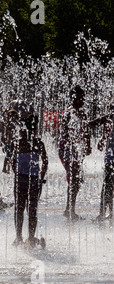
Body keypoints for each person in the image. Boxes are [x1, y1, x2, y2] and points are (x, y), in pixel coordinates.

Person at [11, 114, 48, 248]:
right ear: (36, 128)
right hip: (34, 180)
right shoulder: (39, 143)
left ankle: (18, 237)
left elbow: (13, 162)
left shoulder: (18, 142)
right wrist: (40, 178)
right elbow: (45, 162)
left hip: (20, 179)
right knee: (32, 210)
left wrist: (18, 175)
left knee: (19, 209)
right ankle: (31, 238)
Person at [58, 86, 91, 221]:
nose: (83, 100)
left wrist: (87, 144)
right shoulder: (67, 113)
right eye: (80, 97)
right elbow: (64, 133)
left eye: (83, 97)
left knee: (76, 180)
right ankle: (70, 210)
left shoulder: (83, 113)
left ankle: (69, 209)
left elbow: (86, 130)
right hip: (66, 149)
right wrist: (76, 142)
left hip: (76, 150)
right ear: (73, 98)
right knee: (73, 178)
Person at [93, 100, 114, 223]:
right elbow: (102, 141)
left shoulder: (109, 120)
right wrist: (101, 141)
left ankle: (105, 213)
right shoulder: (109, 123)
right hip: (111, 157)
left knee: (108, 185)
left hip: (110, 157)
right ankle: (105, 213)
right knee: (108, 185)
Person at [0, 109, 20, 174]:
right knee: (8, 156)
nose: (13, 118)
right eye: (12, 117)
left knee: (11, 156)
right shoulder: (8, 125)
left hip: (13, 143)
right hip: (8, 143)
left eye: (15, 117)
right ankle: (6, 168)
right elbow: (4, 136)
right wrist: (4, 145)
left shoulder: (15, 125)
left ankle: (8, 168)